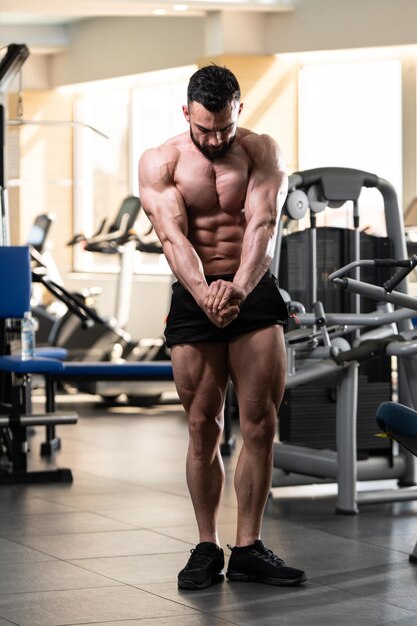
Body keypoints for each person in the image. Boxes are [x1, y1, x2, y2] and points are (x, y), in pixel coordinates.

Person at [138, 64, 306, 590]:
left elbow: (262, 223)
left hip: (251, 287)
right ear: (185, 112)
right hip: (194, 294)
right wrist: (204, 292)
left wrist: (237, 286)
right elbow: (172, 237)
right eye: (205, 127)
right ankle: (207, 546)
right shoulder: (160, 161)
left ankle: (249, 547)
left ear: (239, 111)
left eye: (225, 128)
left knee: (259, 423)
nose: (215, 138)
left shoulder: (261, 151)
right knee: (201, 425)